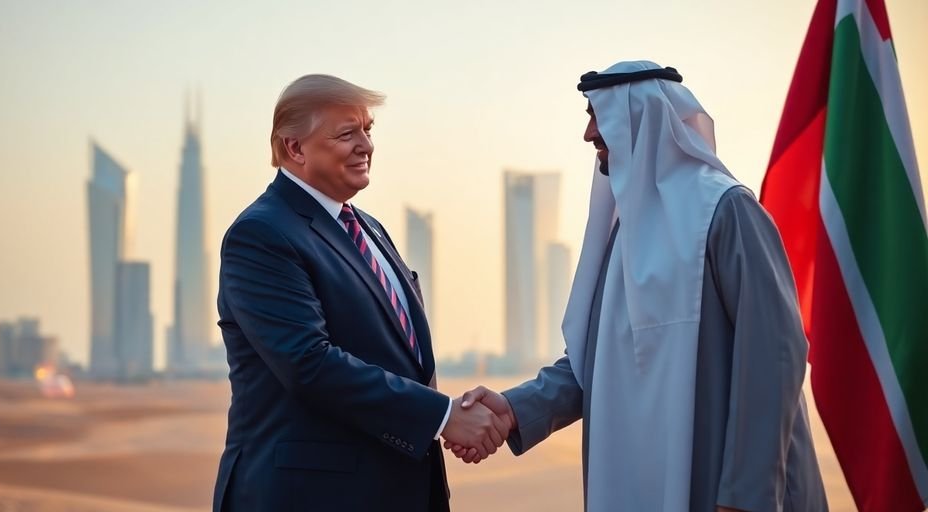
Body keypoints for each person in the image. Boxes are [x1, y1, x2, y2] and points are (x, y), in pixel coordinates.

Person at [446, 61, 828, 512]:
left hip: (720, 487)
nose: (589, 135)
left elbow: (775, 355)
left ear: (637, 119)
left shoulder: (727, 210)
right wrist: (514, 408)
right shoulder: (623, 235)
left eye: (596, 115)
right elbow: (599, 359)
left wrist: (745, 495)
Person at [212, 74, 509, 512]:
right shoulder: (261, 234)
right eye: (347, 133)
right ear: (294, 148)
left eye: (368, 130)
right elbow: (308, 363)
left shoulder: (368, 227)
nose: (366, 145)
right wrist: (443, 417)